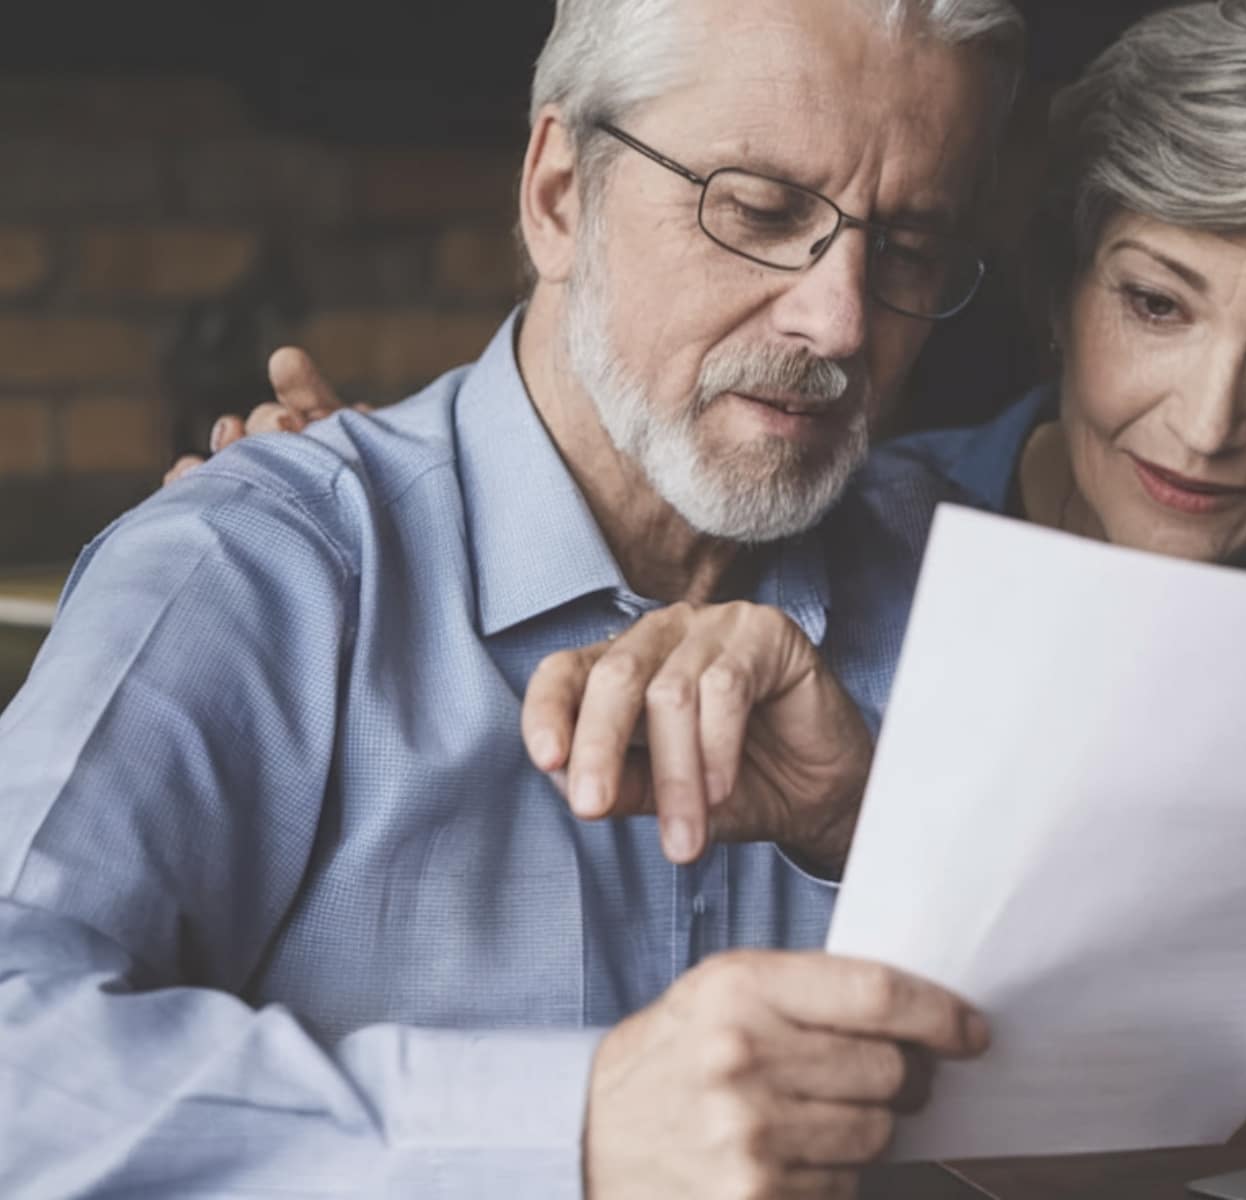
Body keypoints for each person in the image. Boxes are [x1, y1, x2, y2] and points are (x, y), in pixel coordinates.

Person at [312, 0, 1246, 1093]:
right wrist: (344, 502)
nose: (1206, 421)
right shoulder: (825, 534)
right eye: (1156, 306)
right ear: (1058, 287)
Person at [0, 1, 1027, 1195]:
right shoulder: (256, 566)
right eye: (759, 211)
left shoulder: (978, 582)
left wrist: (878, 833)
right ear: (558, 196)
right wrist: (573, 1130)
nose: (839, 321)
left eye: (906, 250)